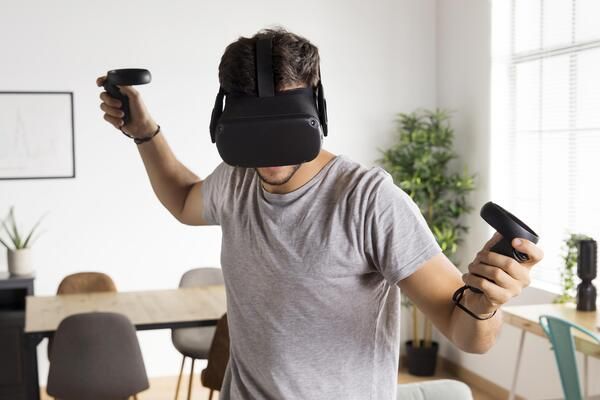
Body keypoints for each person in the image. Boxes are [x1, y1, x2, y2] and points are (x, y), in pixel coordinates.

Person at [97, 27, 543, 400]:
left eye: (283, 129)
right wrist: (144, 132)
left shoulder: (367, 200)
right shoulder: (237, 179)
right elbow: (183, 200)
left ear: (316, 106)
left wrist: (486, 301)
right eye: (255, 132)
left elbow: (467, 335)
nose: (269, 155)